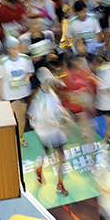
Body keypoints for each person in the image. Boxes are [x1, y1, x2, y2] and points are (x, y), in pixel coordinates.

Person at [28, 67, 73, 196]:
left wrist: (65, 115)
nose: (51, 83)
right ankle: (38, 168)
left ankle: (60, 184)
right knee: (46, 153)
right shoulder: (39, 99)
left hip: (55, 129)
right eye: (47, 82)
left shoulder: (51, 93)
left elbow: (57, 107)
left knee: (61, 157)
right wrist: (57, 124)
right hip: (45, 131)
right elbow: (41, 118)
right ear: (41, 84)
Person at [0, 36, 34, 146]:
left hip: (23, 92)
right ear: (8, 49)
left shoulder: (25, 59)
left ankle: (20, 136)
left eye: (18, 48)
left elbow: (30, 71)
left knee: (21, 117)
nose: (16, 51)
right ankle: (7, 138)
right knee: (10, 119)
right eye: (13, 48)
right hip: (9, 95)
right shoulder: (3, 62)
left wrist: (28, 76)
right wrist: (0, 96)